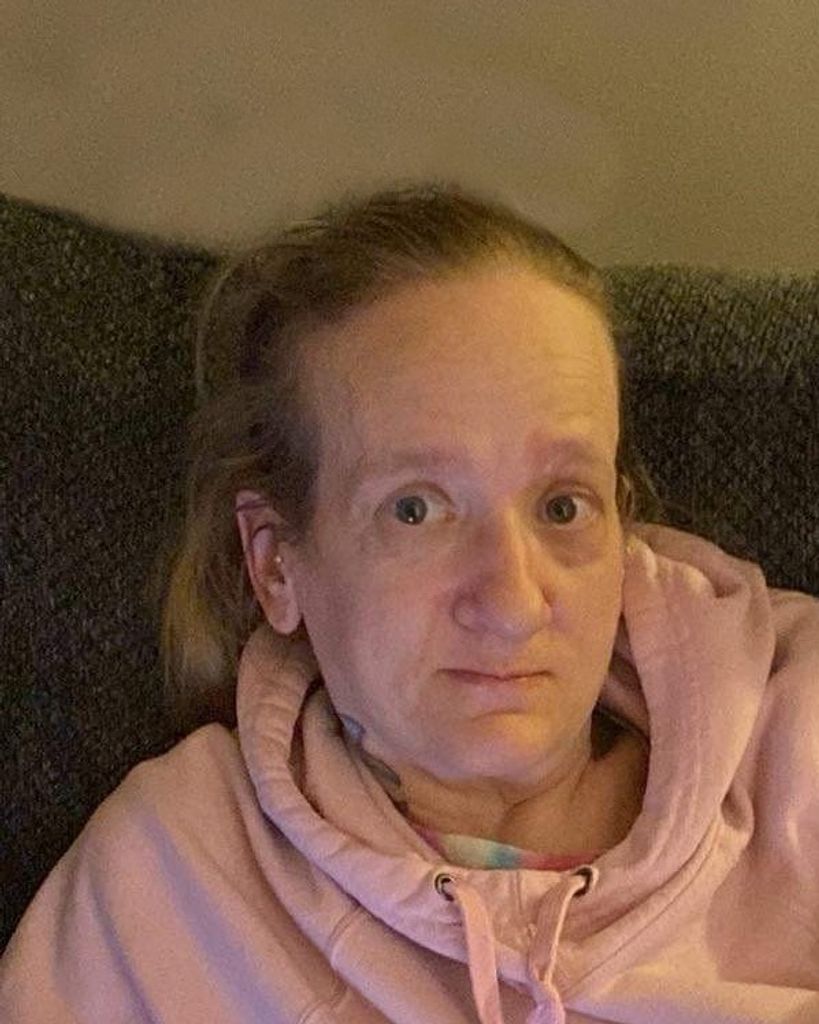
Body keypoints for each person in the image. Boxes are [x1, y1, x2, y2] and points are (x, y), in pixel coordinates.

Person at [1, 183, 818, 1024]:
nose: (512, 603)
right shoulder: (171, 881)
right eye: (415, 510)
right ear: (276, 565)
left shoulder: (794, 736)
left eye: (561, 505)